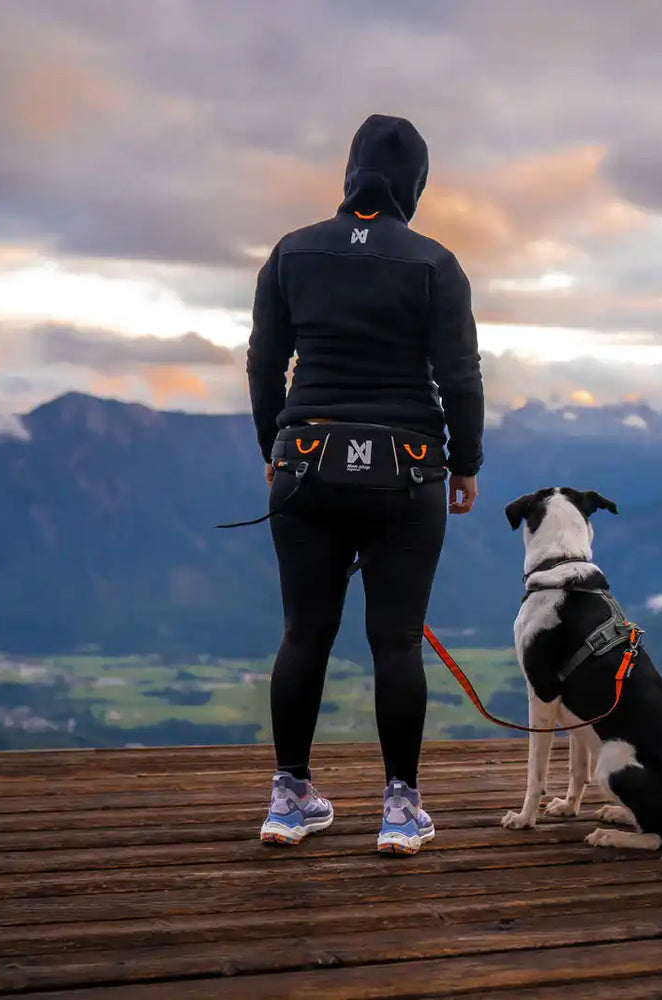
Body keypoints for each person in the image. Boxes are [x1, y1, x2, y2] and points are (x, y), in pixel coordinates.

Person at [245, 114, 484, 855]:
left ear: (349, 173)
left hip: (304, 466)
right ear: (416, 183)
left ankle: (290, 799)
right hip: (407, 471)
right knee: (397, 642)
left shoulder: (292, 252)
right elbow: (460, 378)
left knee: (303, 633)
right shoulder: (434, 263)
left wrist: (273, 447)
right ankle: (400, 809)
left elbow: (264, 364)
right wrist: (466, 463)